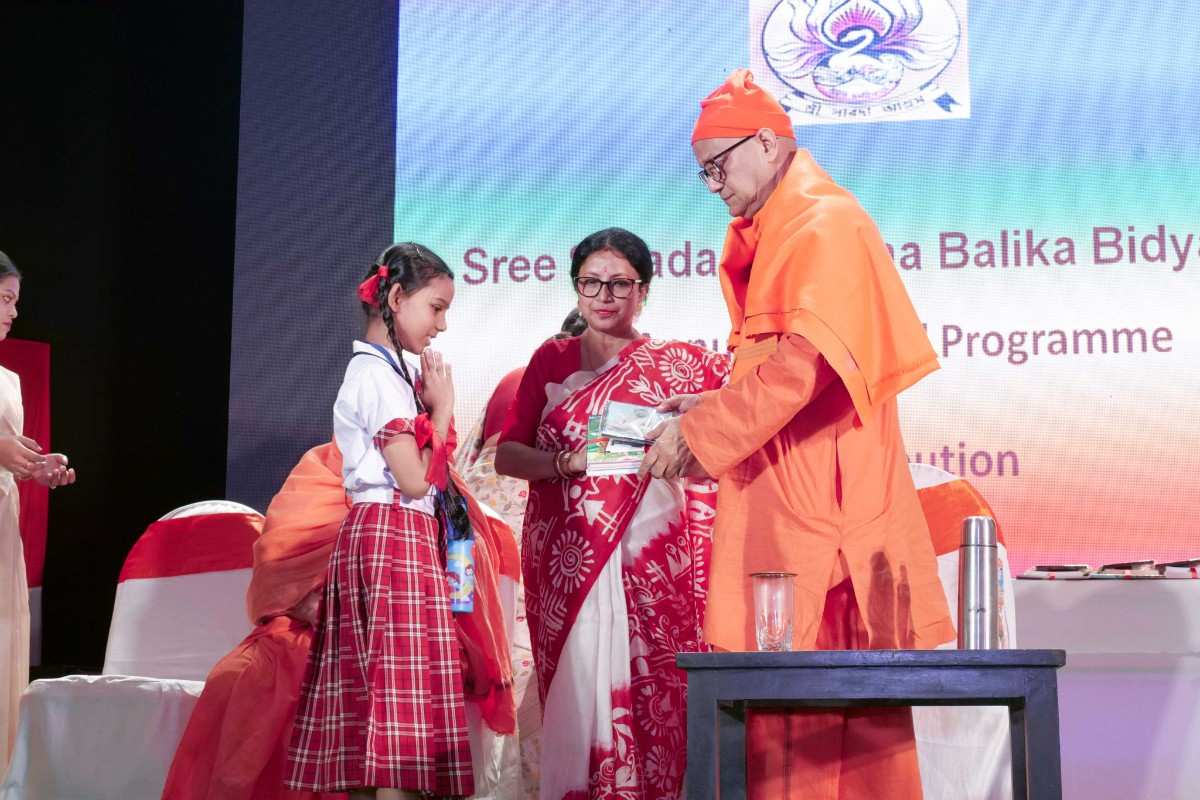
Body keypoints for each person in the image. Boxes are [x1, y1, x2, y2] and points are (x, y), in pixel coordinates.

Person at [640, 70, 956, 798]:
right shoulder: (784, 227)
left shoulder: (824, 222)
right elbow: (783, 366)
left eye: (718, 167)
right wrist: (711, 401)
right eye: (704, 173)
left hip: (824, 526)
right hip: (787, 506)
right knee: (783, 716)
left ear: (765, 142)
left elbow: (805, 365)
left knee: (831, 725)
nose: (714, 186)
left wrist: (702, 433)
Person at [494, 228, 729, 800]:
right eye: (590, 283)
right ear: (576, 288)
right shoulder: (550, 359)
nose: (604, 296)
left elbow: (738, 416)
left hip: (650, 559)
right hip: (572, 557)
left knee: (654, 685)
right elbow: (508, 455)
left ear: (643, 291)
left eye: (620, 284)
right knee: (580, 692)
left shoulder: (677, 367)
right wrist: (567, 462)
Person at [286, 243, 473, 799]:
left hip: (390, 536)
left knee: (383, 708)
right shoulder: (376, 377)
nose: (441, 325)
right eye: (436, 307)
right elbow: (413, 479)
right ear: (395, 299)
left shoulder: (387, 373)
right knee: (398, 712)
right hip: (393, 536)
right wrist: (443, 407)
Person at [454, 308, 589, 797]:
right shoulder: (572, 389)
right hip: (521, 536)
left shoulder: (519, 377)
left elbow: (472, 457)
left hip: (477, 532)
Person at [0, 250, 75, 771]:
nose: (14, 311)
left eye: (15, 301)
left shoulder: (9, 380)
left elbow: (11, 453)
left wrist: (37, 466)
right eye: (5, 299)